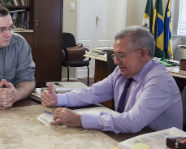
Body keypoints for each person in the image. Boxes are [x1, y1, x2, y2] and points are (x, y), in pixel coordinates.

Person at [41, 26, 183, 133]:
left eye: (121, 55)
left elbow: (133, 122)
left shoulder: (159, 80)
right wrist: (58, 99)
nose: (116, 62)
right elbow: (93, 93)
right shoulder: (122, 72)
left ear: (142, 53)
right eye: (115, 55)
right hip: (130, 138)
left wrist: (79, 119)